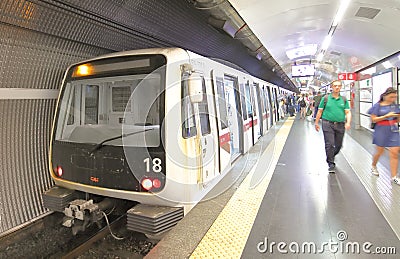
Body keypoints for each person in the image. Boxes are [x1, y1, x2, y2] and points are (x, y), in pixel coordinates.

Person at [314, 80, 351, 173]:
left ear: (341, 87)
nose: (337, 87)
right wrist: (316, 122)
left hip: (340, 125)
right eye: (335, 86)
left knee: (338, 145)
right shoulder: (326, 98)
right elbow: (320, 111)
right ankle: (331, 163)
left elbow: (347, 112)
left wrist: (348, 122)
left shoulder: (344, 100)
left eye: (339, 86)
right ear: (331, 87)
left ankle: (331, 155)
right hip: (327, 123)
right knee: (330, 144)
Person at [367, 87, 400, 184]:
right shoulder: (378, 106)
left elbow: (397, 119)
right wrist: (386, 116)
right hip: (381, 130)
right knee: (380, 151)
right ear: (385, 96)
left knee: (394, 152)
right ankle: (374, 165)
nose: (393, 99)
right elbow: (374, 119)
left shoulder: (395, 106)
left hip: (393, 130)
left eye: (395, 97)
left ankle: (394, 176)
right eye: (391, 97)